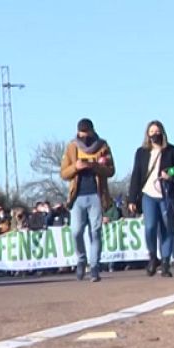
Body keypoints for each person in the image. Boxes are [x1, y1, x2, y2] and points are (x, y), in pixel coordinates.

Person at [127, 120, 174, 278]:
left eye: (157, 131)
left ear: (162, 132)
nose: (154, 134)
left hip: (166, 194)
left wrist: (171, 173)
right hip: (148, 194)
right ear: (147, 134)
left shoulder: (171, 150)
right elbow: (136, 175)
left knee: (168, 228)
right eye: (151, 131)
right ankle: (153, 257)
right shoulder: (141, 152)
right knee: (150, 227)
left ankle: (166, 263)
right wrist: (132, 199)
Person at [60, 118, 116, 282]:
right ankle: (81, 259)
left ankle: (94, 267)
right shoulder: (72, 147)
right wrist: (75, 167)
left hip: (96, 195)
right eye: (81, 133)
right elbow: (63, 173)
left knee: (95, 231)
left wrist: (95, 166)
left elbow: (111, 170)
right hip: (77, 197)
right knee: (76, 231)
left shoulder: (103, 146)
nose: (84, 136)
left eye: (87, 132)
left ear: (92, 131)